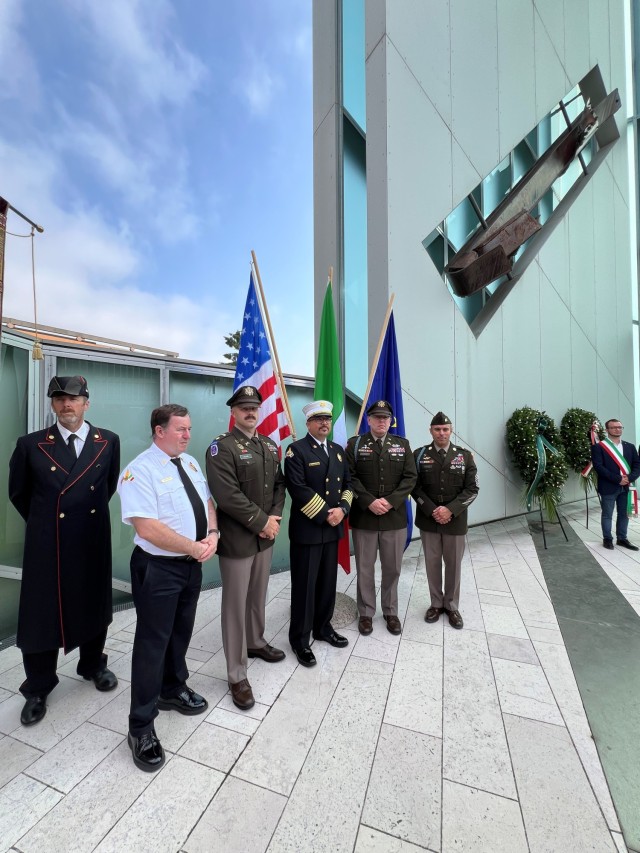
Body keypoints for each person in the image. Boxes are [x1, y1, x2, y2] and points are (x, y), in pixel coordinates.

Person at [8, 375, 120, 727]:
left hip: (91, 535)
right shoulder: (31, 444)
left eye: (73, 398)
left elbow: (108, 487)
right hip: (48, 542)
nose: (66, 404)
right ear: (53, 404)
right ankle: (38, 687)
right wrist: (47, 523)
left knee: (92, 602)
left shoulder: (108, 441)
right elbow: (19, 494)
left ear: (87, 402)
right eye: (59, 398)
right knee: (41, 613)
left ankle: (92, 665)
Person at [118, 403, 218, 772]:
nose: (188, 435)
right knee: (151, 643)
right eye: (180, 429)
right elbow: (146, 527)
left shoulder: (189, 463)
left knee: (180, 633)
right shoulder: (139, 471)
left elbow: (206, 502)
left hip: (192, 565)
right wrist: (193, 547)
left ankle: (172, 688)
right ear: (158, 430)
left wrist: (213, 533)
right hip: (159, 568)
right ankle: (140, 727)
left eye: (189, 428)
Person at [205, 385, 286, 711]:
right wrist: (262, 521)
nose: (250, 412)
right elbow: (226, 495)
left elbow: (278, 485)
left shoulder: (268, 444)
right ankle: (237, 674)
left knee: (258, 594)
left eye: (254, 407)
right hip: (239, 538)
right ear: (234, 412)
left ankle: (255, 642)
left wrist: (276, 515)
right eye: (244, 408)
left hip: (265, 536)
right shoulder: (220, 447)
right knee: (235, 605)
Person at [284, 400, 353, 667]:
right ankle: (300, 640)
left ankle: (323, 628)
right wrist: (327, 513)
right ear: (309, 423)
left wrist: (343, 510)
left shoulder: (337, 451)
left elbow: (348, 483)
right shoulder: (296, 451)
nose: (325, 423)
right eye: (319, 419)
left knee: (327, 584)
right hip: (309, 531)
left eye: (328, 419)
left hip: (333, 529)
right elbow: (298, 488)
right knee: (305, 587)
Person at [346, 400, 416, 636]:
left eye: (385, 417)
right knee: (365, 568)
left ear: (390, 421)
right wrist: (369, 501)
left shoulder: (402, 445)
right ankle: (365, 613)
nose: (381, 421)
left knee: (392, 568)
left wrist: (390, 501)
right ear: (368, 420)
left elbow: (410, 478)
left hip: (393, 518)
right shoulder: (355, 445)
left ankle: (390, 611)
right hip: (365, 517)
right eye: (377, 417)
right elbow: (350, 477)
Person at [412, 411, 478, 629]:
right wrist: (432, 510)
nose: (442, 433)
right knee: (432, 563)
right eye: (437, 429)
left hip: (455, 520)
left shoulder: (465, 456)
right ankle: (435, 604)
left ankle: (451, 606)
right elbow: (414, 486)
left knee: (453, 565)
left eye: (445, 429)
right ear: (431, 431)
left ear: (451, 431)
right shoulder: (419, 454)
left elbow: (472, 489)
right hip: (428, 519)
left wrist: (450, 510)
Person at [592, 418, 640, 550]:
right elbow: (599, 467)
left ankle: (622, 539)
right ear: (607, 430)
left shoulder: (629, 446)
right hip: (609, 486)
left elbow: (637, 465)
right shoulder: (599, 447)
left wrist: (629, 478)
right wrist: (618, 479)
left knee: (625, 513)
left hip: (627, 486)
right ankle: (607, 539)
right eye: (613, 427)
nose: (617, 429)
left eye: (619, 427)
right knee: (607, 514)